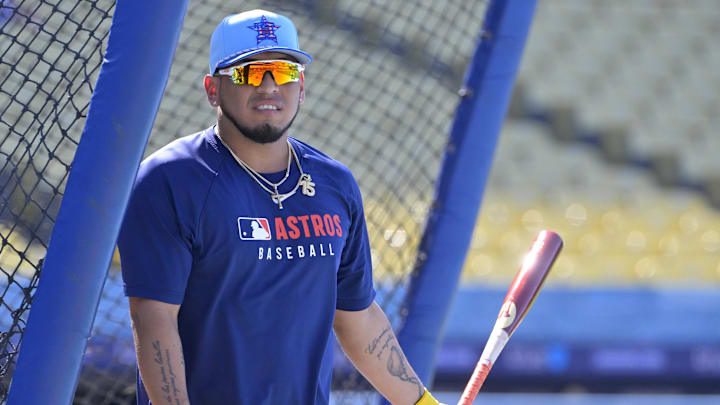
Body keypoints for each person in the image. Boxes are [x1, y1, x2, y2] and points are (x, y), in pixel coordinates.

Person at [118, 9, 445, 405]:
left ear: (301, 87)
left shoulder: (334, 184)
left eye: (283, 71)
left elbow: (357, 317)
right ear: (212, 89)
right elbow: (153, 320)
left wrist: (422, 403)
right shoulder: (169, 180)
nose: (270, 86)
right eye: (249, 73)